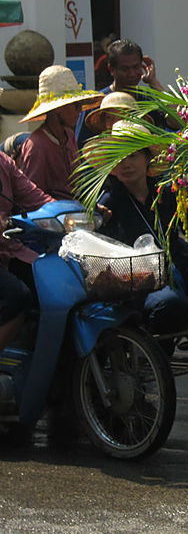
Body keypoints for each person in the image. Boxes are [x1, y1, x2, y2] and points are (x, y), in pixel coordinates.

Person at [96, 121, 188, 335]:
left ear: (147, 159)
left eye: (132, 155)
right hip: (144, 284)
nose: (126, 164)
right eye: (120, 157)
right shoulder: (108, 205)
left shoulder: (165, 194)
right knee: (172, 304)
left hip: (180, 269)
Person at [19, 65, 103, 200]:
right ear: (58, 109)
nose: (79, 111)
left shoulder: (69, 135)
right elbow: (30, 196)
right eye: (76, 106)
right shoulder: (37, 145)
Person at [0, 153, 53, 356]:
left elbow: (35, 198)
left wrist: (71, 213)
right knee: (16, 297)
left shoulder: (3, 162)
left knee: (54, 285)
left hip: (9, 249)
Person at [77, 39, 167, 144]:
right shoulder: (94, 105)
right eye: (125, 69)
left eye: (136, 67)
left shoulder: (149, 102)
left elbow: (177, 122)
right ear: (111, 69)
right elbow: (80, 150)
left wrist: (153, 82)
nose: (132, 73)